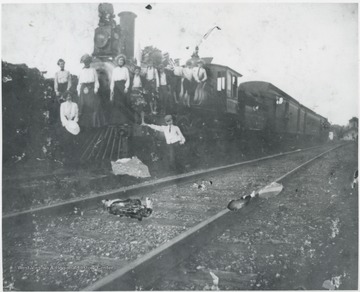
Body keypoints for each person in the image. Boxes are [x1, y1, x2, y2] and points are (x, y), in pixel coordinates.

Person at [77, 54, 104, 128]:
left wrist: (96, 89)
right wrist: (79, 91)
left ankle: (94, 124)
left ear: (89, 62)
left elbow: (96, 80)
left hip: (91, 88)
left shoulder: (93, 70)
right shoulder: (82, 71)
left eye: (88, 61)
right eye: (85, 62)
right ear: (83, 63)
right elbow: (80, 82)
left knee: (93, 105)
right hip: (83, 88)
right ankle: (83, 125)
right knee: (83, 105)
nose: (86, 63)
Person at [59, 90, 80, 165]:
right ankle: (66, 158)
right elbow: (62, 116)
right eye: (67, 96)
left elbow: (77, 115)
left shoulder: (75, 105)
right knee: (66, 141)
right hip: (66, 125)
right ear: (65, 97)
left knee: (73, 142)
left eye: (70, 96)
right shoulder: (63, 105)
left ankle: (73, 159)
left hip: (73, 125)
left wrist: (74, 123)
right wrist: (67, 124)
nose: (69, 97)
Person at [110, 54, 132, 124]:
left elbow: (128, 79)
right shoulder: (115, 69)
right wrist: (112, 89)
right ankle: (116, 120)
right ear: (117, 61)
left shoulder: (125, 69)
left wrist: (126, 87)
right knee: (117, 103)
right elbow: (112, 80)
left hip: (123, 86)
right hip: (116, 86)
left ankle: (124, 120)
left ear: (124, 62)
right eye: (120, 60)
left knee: (123, 103)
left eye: (122, 60)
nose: (121, 61)